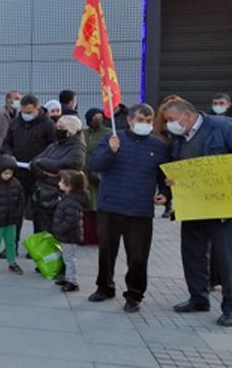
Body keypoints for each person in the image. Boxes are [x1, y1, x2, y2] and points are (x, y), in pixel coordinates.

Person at [162, 99, 232, 327]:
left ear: (188, 115)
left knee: (229, 260)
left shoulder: (222, 126)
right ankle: (198, 298)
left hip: (224, 208)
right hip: (193, 207)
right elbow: (175, 167)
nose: (169, 125)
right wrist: (171, 184)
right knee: (192, 255)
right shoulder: (178, 139)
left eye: (171, 120)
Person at [88, 103, 170, 312]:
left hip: (140, 210)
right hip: (110, 206)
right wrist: (110, 151)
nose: (144, 124)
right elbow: (95, 165)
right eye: (140, 120)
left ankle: (134, 294)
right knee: (106, 251)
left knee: (138, 255)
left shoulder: (158, 145)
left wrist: (164, 193)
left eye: (149, 121)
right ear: (130, 120)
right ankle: (104, 287)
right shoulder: (112, 139)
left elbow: (165, 176)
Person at [1, 94, 56, 247]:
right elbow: (7, 143)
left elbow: (53, 147)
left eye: (29, 112)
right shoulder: (15, 123)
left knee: (39, 212)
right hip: (18, 172)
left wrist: (40, 162)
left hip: (38, 174)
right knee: (15, 210)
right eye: (23, 112)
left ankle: (37, 247)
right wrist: (9, 155)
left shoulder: (48, 125)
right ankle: (12, 245)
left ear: (37, 109)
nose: (26, 115)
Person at [30, 115, 87, 235]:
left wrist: (43, 163)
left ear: (70, 130)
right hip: (42, 192)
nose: (57, 130)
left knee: (54, 229)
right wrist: (44, 173)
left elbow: (66, 165)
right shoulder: (54, 145)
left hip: (58, 195)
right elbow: (34, 161)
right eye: (57, 127)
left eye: (61, 127)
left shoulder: (77, 149)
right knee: (40, 227)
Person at [53, 170, 90, 292]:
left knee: (69, 259)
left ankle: (72, 281)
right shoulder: (69, 198)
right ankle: (68, 277)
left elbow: (71, 221)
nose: (59, 183)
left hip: (68, 235)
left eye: (62, 182)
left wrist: (59, 229)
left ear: (69, 186)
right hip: (67, 235)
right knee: (66, 257)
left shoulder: (71, 202)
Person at [81, 108, 108, 246]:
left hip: (100, 176)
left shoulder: (108, 133)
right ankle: (88, 237)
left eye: (100, 117)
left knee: (100, 208)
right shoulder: (83, 134)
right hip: (84, 176)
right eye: (94, 117)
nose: (97, 119)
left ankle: (101, 238)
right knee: (87, 208)